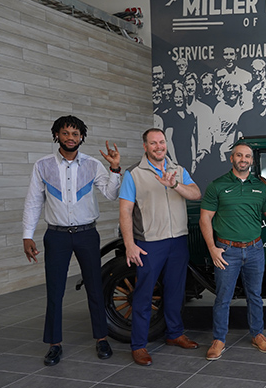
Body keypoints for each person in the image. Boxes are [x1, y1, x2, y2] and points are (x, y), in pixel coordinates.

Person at [22, 115, 121, 366]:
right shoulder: (42, 165)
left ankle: (101, 338)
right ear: (56, 135)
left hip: (87, 234)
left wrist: (115, 169)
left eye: (75, 134)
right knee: (54, 291)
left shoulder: (93, 164)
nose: (70, 138)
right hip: (56, 236)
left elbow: (111, 194)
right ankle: (54, 344)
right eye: (65, 133)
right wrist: (27, 235)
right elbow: (33, 202)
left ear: (81, 137)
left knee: (95, 288)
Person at [119, 128, 202, 366]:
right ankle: (139, 345)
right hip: (148, 244)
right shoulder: (133, 174)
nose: (158, 147)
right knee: (143, 295)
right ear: (145, 146)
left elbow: (196, 194)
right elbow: (125, 211)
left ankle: (175, 334)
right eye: (153, 143)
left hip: (178, 241)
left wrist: (175, 185)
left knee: (176, 292)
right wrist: (129, 245)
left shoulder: (179, 170)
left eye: (162, 142)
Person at [199, 142, 266, 361]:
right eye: (239, 155)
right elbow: (205, 219)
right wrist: (212, 248)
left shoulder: (259, 186)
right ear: (232, 158)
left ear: (251, 160)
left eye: (247, 156)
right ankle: (219, 339)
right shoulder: (217, 185)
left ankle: (257, 334)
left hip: (255, 249)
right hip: (227, 251)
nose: (243, 159)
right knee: (223, 297)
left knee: (255, 295)